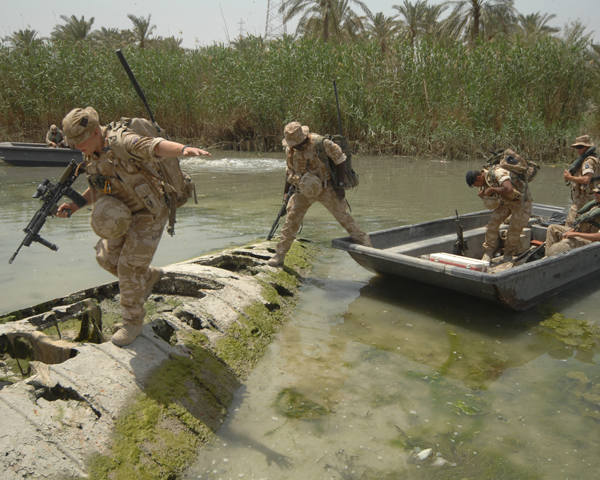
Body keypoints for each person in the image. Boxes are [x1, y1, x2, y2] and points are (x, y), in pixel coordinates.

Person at [56, 107, 211, 346]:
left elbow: (154, 146)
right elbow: (98, 183)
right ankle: (149, 276)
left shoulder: (121, 141)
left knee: (128, 267)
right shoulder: (92, 152)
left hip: (150, 211)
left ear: (96, 131)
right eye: (73, 142)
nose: (77, 146)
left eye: (80, 140)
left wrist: (182, 149)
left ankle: (132, 321)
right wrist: (75, 205)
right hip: (122, 212)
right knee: (106, 258)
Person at [267, 121, 371, 267]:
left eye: (295, 143)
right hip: (302, 190)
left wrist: (340, 186)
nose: (293, 146)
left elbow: (340, 159)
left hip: (325, 188)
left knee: (344, 217)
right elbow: (289, 171)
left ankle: (366, 245)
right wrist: (286, 192)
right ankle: (280, 255)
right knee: (291, 222)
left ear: (303, 138)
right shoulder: (290, 150)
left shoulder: (322, 144)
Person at [465, 150, 534, 264]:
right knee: (492, 224)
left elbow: (508, 189)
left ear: (478, 178)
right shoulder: (485, 181)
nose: (476, 187)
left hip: (521, 203)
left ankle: (508, 254)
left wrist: (492, 189)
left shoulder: (498, 172)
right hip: (505, 202)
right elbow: (492, 206)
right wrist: (484, 197)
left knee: (514, 230)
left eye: (475, 185)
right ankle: (488, 252)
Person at [545, 186, 600, 256]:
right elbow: (583, 221)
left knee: (567, 241)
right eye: (595, 192)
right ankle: (548, 256)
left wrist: (575, 234)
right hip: (583, 233)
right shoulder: (596, 205)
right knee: (552, 228)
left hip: (594, 242)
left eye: (598, 193)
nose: (595, 194)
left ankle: (557, 261)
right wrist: (573, 230)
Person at [563, 135, 599, 227]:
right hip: (587, 198)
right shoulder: (594, 159)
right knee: (583, 225)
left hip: (584, 199)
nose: (578, 149)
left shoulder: (588, 161)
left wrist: (570, 178)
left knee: (570, 225)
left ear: (587, 147)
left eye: (580, 147)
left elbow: (586, 179)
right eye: (576, 147)